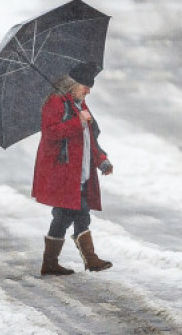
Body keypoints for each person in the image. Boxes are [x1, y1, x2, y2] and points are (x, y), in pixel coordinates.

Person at [31, 71, 113, 276]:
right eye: (84, 85)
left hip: (80, 172)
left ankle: (50, 263)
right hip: (63, 174)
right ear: (71, 85)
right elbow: (51, 132)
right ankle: (90, 259)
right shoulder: (56, 103)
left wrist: (101, 160)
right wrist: (79, 122)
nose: (88, 91)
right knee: (79, 211)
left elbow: (89, 139)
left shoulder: (78, 104)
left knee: (63, 216)